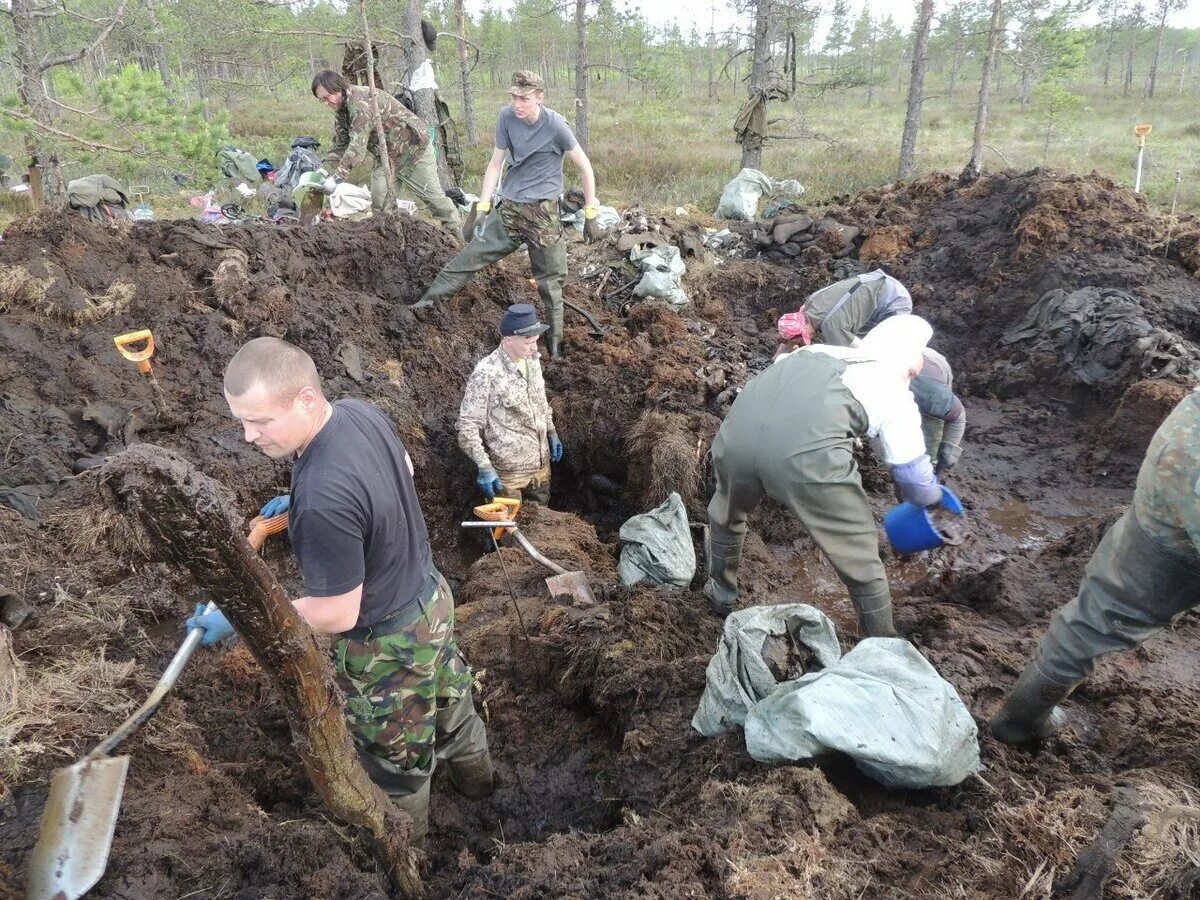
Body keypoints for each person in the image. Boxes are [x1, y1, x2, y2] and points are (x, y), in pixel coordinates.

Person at [186, 337, 490, 846]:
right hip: (431, 599)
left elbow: (336, 613)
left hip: (387, 649)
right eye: (242, 420)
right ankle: (483, 791)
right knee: (453, 704)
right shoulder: (357, 412)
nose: (247, 436)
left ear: (305, 398)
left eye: (260, 422)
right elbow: (404, 471)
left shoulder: (325, 497)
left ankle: (409, 860)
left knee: (398, 768)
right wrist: (308, 501)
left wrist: (241, 616)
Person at [705, 315, 946, 634]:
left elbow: (774, 380)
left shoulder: (814, 352)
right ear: (906, 364)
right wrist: (934, 498)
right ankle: (881, 645)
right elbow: (915, 482)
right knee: (860, 555)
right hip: (803, 458)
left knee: (726, 513)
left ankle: (720, 597)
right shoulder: (896, 394)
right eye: (913, 370)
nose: (911, 376)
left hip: (735, 435)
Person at [990, 390, 1200, 744]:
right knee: (1107, 607)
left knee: (1102, 611)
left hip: (1180, 460)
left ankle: (1018, 721)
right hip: (1185, 474)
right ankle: (1019, 722)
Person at [409, 71, 601, 357]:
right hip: (509, 210)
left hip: (543, 215)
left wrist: (591, 213)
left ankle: (556, 349)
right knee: (468, 258)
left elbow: (585, 167)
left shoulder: (556, 126)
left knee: (551, 283)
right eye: (513, 97)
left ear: (539, 97)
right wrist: (484, 207)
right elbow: (495, 164)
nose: (517, 104)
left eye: (524, 98)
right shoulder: (506, 118)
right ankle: (420, 311)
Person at [310, 70, 462, 232]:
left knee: (436, 202)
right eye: (321, 101)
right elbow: (341, 145)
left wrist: (337, 178)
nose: (327, 103)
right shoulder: (342, 109)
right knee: (380, 203)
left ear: (337, 88)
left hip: (413, 151)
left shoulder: (360, 102)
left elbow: (357, 147)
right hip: (386, 156)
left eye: (327, 98)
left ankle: (460, 242)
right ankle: (389, 243)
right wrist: (324, 171)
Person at [457, 304, 562, 505]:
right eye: (528, 342)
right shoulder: (487, 373)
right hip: (508, 477)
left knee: (544, 530)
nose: (534, 348)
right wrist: (484, 466)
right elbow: (467, 426)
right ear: (508, 340)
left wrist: (552, 432)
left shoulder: (532, 360)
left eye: (536, 341)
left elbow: (540, 401)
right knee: (509, 532)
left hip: (540, 469)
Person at [779, 269, 913, 350]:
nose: (805, 340)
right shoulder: (809, 304)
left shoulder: (832, 326)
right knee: (860, 333)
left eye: (802, 337)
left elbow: (861, 351)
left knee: (883, 347)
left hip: (893, 301)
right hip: (877, 281)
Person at [910, 347, 966, 476]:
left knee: (930, 436)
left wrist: (947, 452)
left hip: (931, 366)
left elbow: (957, 417)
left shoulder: (927, 390)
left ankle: (931, 475)